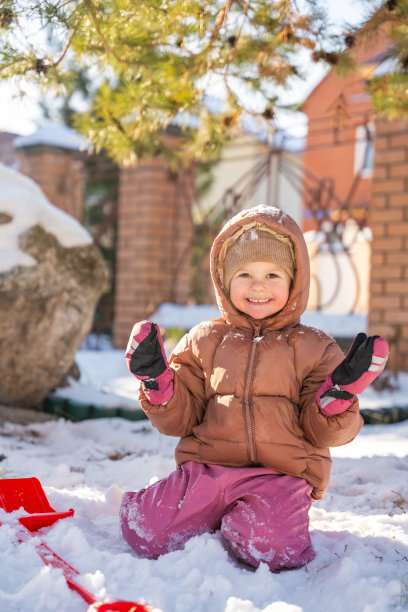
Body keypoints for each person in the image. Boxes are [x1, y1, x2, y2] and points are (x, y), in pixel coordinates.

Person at [120, 204, 389, 572]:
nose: (258, 285)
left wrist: (335, 401)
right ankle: (207, 510)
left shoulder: (314, 346)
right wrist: (160, 387)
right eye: (244, 273)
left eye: (273, 274)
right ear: (224, 280)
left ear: (295, 281)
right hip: (207, 469)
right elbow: (180, 421)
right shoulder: (204, 340)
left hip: (280, 477)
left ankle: (243, 517)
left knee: (273, 549)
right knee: (145, 533)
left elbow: (322, 433)